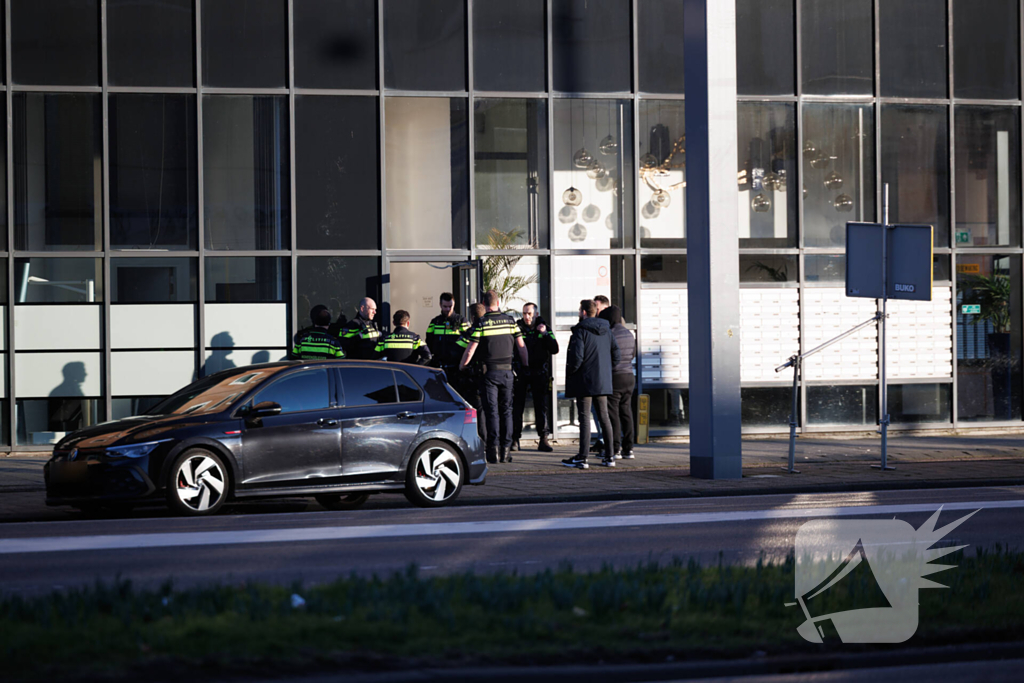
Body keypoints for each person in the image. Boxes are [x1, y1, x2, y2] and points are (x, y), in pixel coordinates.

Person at [460, 290, 528, 464]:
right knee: (506, 411)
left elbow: (471, 349)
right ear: (498, 303)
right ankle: (506, 452)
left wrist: (462, 365)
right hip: (507, 373)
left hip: (489, 373)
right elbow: (521, 347)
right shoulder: (510, 321)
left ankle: (493, 453)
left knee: (492, 412)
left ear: (484, 303)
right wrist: (525, 365)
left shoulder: (482, 323)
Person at [562, 299, 619, 469]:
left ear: (584, 312)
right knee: (604, 417)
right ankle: (610, 457)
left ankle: (582, 457)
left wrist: (572, 371)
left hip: (584, 381)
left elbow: (577, 357)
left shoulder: (581, 331)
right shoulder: (607, 330)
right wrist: (606, 370)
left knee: (585, 418)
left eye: (580, 310)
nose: (579, 313)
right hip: (602, 380)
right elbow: (616, 354)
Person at [512, 302, 558, 453]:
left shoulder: (544, 327)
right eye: (524, 313)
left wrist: (545, 334)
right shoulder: (517, 328)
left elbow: (554, 348)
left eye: (529, 313)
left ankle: (543, 439)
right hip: (521, 373)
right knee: (517, 407)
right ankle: (514, 439)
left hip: (539, 373)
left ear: (536, 314)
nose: (526, 316)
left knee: (541, 407)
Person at [600, 305, 635, 459]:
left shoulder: (610, 333)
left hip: (615, 376)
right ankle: (629, 448)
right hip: (629, 376)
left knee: (613, 413)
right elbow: (633, 354)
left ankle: (615, 448)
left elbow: (607, 356)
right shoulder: (629, 333)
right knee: (626, 412)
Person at [457, 303, 488, 443]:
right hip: (488, 374)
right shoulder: (489, 329)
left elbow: (457, 348)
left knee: (473, 409)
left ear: (472, 316)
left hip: (473, 376)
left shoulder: (471, 332)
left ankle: (475, 439)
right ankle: (488, 440)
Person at [588, 294, 611, 453]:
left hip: (604, 376)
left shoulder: (608, 327)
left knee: (604, 413)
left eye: (599, 309)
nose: (597, 312)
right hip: (596, 376)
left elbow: (615, 352)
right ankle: (602, 441)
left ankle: (607, 445)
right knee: (596, 412)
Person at [426, 292, 470, 370]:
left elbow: (469, 340)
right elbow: (429, 341)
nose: (448, 309)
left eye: (450, 306)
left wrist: (455, 350)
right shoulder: (435, 322)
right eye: (445, 306)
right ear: (440, 305)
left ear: (454, 304)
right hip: (438, 365)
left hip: (455, 365)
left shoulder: (461, 321)